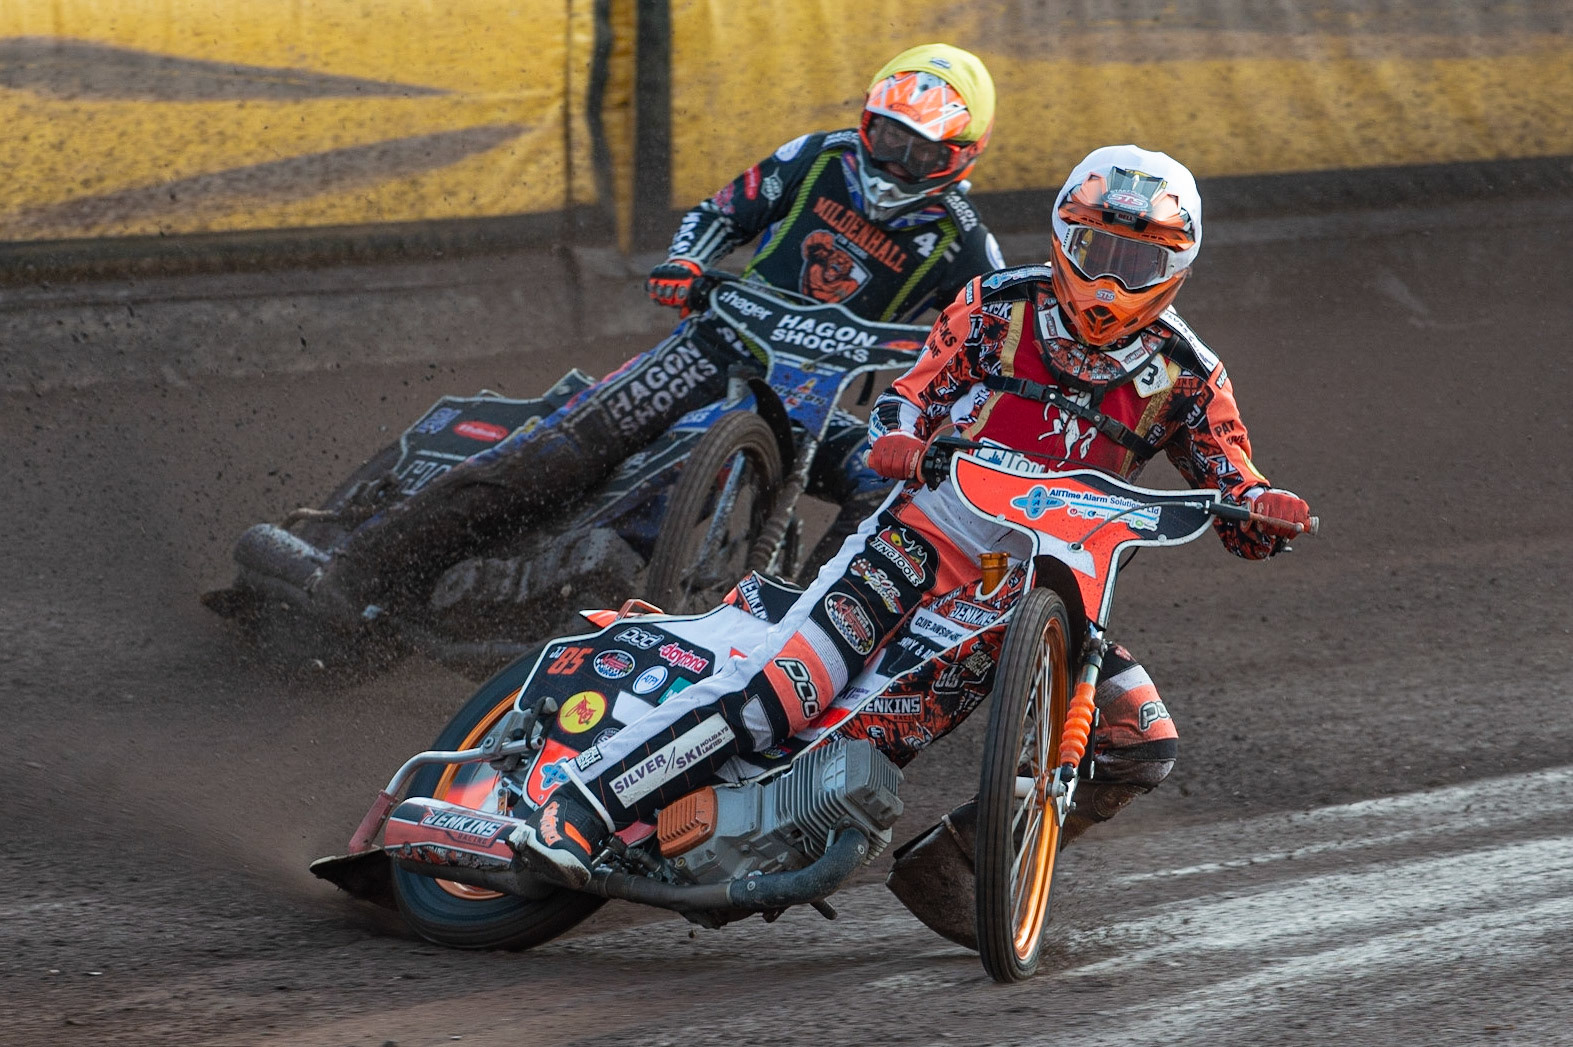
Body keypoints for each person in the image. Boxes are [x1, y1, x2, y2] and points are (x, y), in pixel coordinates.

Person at [512, 144, 1315, 890]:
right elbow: (909, 397)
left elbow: (1235, 491)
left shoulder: (1189, 374)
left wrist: (1263, 509)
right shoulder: (997, 304)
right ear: (1063, 236)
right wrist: (899, 441)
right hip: (924, 537)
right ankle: (578, 806)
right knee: (782, 695)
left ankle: (961, 878)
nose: (1108, 280)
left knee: (1140, 739)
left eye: (1136, 262)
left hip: (1046, 588)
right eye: (1096, 250)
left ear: (1174, 267)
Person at [309, 43, 1006, 613]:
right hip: (713, 348)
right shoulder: (817, 157)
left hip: (820, 405)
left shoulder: (965, 240)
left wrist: (966, 409)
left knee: (889, 485)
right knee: (561, 451)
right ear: (867, 120)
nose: (896, 162)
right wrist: (686, 262)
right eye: (888, 137)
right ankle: (354, 569)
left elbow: (998, 341)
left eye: (921, 154)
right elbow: (721, 211)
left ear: (959, 156)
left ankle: (804, 627)